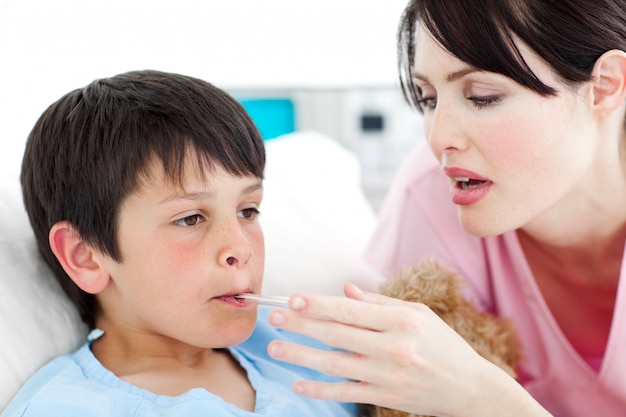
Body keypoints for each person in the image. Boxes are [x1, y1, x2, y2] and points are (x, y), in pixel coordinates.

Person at [262, 1, 626, 416]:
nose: (439, 139)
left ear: (604, 86)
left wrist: (486, 400)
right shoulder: (436, 188)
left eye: (482, 97)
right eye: (428, 99)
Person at [1, 70, 356, 417]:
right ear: (86, 257)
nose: (240, 248)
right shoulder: (63, 408)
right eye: (190, 219)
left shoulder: (311, 349)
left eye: (248, 211)